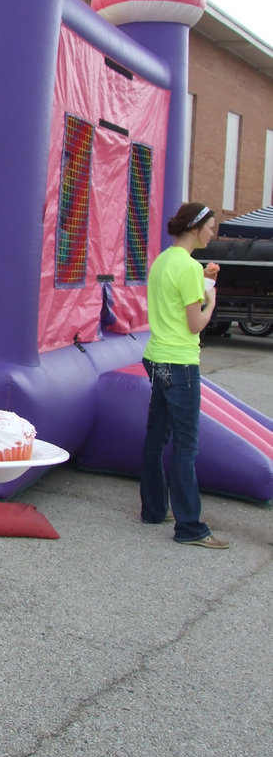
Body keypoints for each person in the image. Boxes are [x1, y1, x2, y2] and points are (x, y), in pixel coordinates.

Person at [140, 201, 230, 549]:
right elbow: (196, 323)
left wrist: (202, 282)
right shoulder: (189, 268)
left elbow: (173, 306)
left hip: (157, 358)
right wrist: (211, 299)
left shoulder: (163, 261)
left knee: (157, 435)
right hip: (180, 363)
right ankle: (190, 527)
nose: (212, 232)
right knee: (186, 446)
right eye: (210, 226)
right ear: (195, 227)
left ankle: (153, 510)